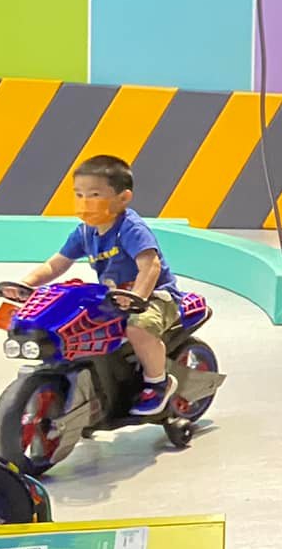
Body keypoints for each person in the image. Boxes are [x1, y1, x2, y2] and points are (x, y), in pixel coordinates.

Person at [18, 155, 181, 417]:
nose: (85, 202)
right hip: (114, 297)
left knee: (138, 329)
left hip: (154, 297)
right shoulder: (85, 232)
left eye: (94, 195)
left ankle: (158, 382)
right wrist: (26, 284)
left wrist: (138, 297)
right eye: (79, 194)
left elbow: (150, 266)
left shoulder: (131, 229)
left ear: (123, 198)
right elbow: (55, 265)